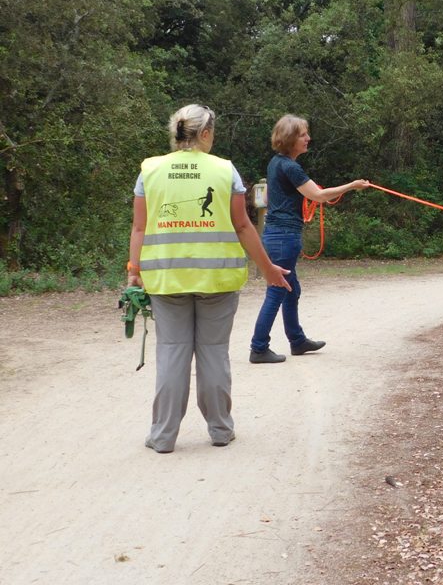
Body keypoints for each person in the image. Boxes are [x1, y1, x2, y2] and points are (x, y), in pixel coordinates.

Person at [128, 104, 291, 453]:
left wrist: (133, 272)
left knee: (172, 353)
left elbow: (139, 227)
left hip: (166, 278)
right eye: (212, 132)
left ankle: (163, 437)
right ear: (204, 134)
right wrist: (268, 269)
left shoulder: (150, 171)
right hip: (217, 279)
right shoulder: (224, 170)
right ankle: (220, 430)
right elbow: (243, 225)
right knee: (214, 353)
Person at [249, 114, 370, 363]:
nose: (308, 138)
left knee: (291, 290)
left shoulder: (275, 163)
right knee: (278, 290)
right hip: (284, 237)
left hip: (276, 234)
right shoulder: (290, 167)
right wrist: (352, 186)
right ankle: (259, 347)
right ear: (291, 138)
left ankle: (297, 341)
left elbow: (278, 197)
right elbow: (319, 195)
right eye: (303, 134)